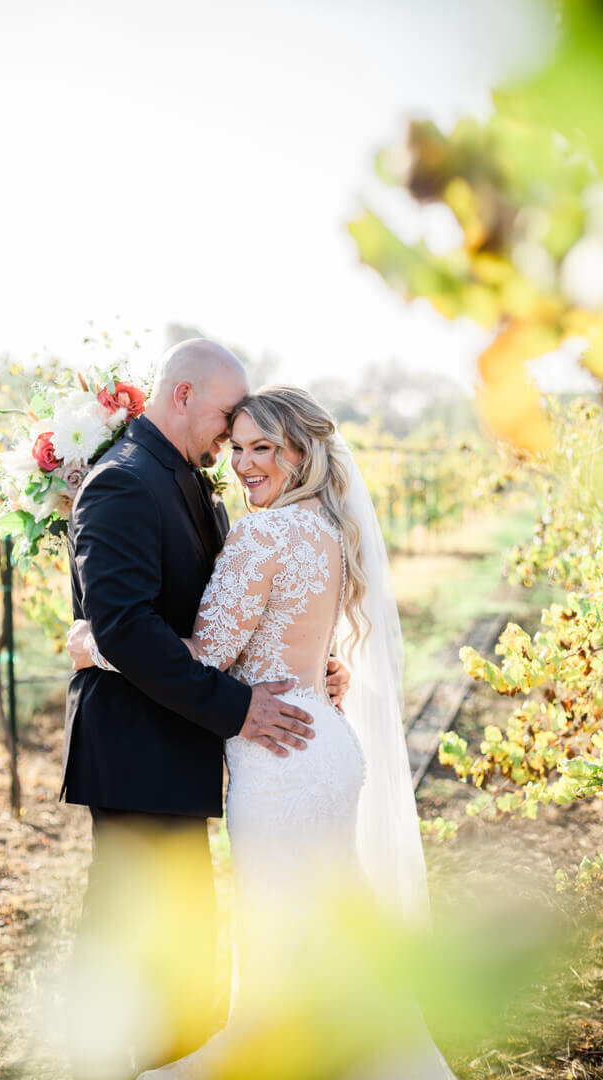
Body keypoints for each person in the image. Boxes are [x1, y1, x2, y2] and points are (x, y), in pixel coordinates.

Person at [68, 385, 458, 1079]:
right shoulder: (329, 529)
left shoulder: (262, 531)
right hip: (327, 742)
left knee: (280, 941)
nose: (244, 465)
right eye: (237, 447)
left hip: (277, 758)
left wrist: (94, 643)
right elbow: (298, 643)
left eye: (263, 450)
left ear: (301, 452)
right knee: (332, 929)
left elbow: (209, 654)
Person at [61, 342, 350, 1068]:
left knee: (188, 934)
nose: (232, 444)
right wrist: (237, 707)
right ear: (183, 394)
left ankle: (178, 1056)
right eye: (228, 421)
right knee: (142, 936)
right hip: (137, 750)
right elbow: (128, 626)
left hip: (185, 738)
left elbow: (221, 620)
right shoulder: (125, 482)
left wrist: (307, 666)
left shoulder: (192, 482)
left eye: (254, 441)